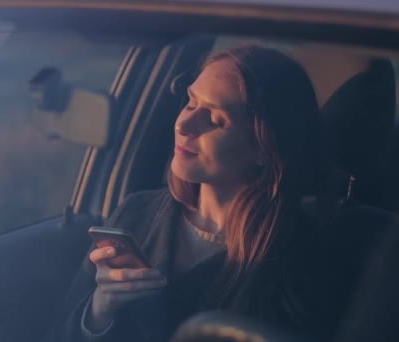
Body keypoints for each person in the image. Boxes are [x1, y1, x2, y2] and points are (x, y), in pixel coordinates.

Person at [59, 45, 323, 341]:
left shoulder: (299, 258)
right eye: (190, 102)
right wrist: (100, 310)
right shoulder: (136, 212)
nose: (183, 124)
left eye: (214, 119)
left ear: (264, 147)